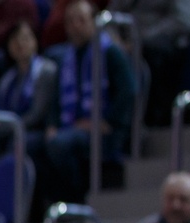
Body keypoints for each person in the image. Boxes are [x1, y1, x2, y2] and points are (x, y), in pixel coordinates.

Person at [34, 0, 135, 208]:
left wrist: (108, 122)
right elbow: (55, 99)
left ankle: (75, 199)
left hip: (104, 129)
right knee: (29, 145)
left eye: (81, 20)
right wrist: (51, 125)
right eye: (70, 21)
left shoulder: (110, 53)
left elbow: (128, 92)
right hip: (71, 126)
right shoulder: (65, 58)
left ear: (94, 22)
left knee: (60, 145)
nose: (75, 26)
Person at [110, 0, 190, 126]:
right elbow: (111, 16)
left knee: (152, 54)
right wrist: (115, 41)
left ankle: (144, 120)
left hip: (162, 41)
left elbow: (182, 21)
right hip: (126, 42)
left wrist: (140, 40)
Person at [0, 21, 56, 134]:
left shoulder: (46, 70)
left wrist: (10, 127)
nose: (20, 43)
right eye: (15, 40)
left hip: (34, 130)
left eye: (25, 38)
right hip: (10, 129)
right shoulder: (7, 78)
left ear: (35, 41)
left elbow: (38, 113)